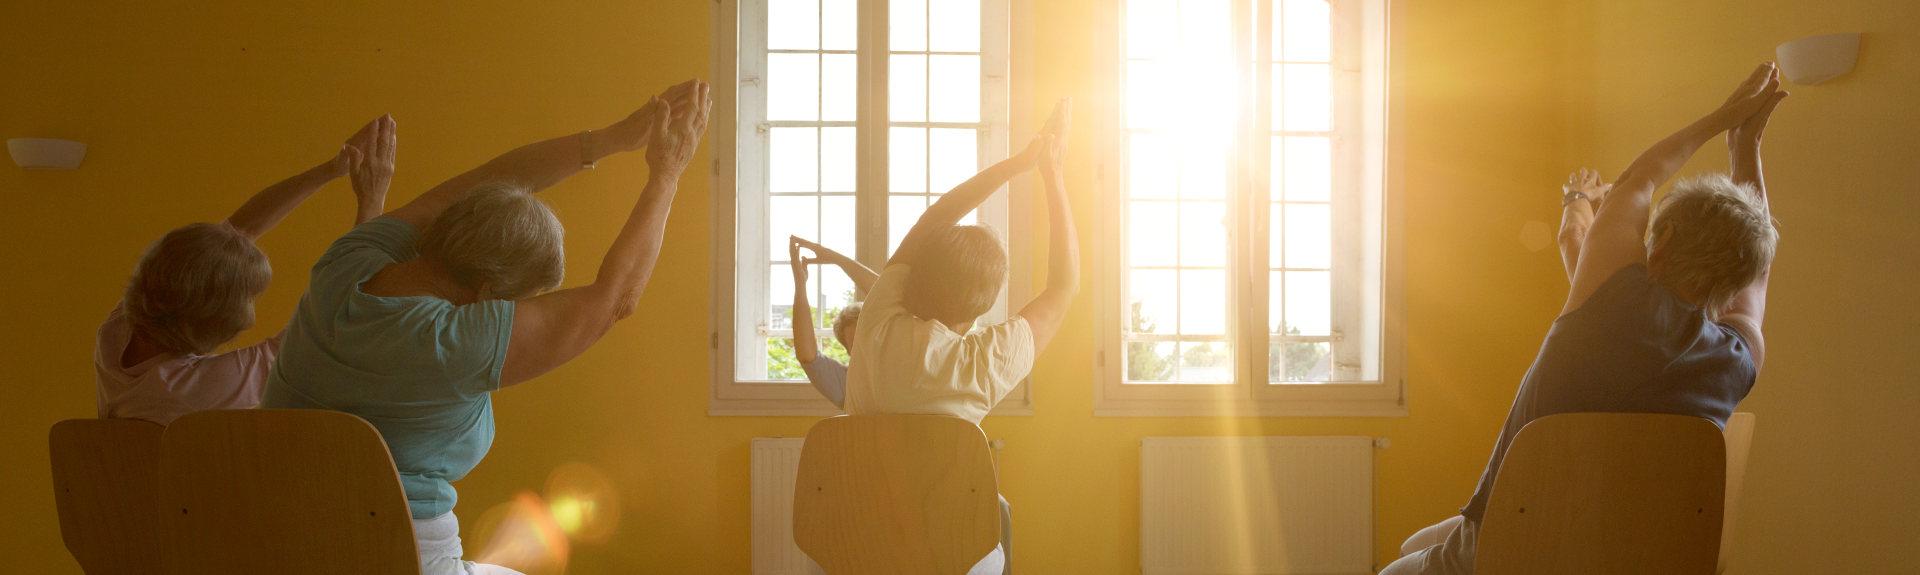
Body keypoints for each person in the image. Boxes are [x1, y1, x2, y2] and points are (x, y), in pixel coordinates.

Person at [262, 79, 710, 575]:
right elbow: (616, 299)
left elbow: (485, 179)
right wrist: (667, 174)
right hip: (395, 556)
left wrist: (610, 139)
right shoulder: (451, 344)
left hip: (273, 540)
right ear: (487, 292)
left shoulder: (347, 258)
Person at [1384, 63, 1787, 574]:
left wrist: (1724, 120)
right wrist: (1746, 149)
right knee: (1421, 540)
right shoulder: (1739, 357)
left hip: (1518, 549)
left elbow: (1639, 180)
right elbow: (1759, 269)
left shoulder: (1611, 296)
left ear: (1661, 240)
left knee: (1399, 562)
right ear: (1740, 278)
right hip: (1635, 557)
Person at [840, 98, 1076, 575]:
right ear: (983, 305)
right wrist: (1052, 175)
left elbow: (936, 216)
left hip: (849, 548)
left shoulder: (876, 323)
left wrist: (1016, 164)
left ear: (915, 273)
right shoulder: (983, 364)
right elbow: (1062, 288)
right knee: (994, 532)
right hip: (949, 558)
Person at [95, 115, 395, 426]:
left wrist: (331, 169)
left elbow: (242, 228)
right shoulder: (187, 390)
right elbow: (326, 329)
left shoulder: (116, 332)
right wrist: (371, 201)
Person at [786, 235, 875, 409]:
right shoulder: (848, 383)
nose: (865, 347)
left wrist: (838, 259)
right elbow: (807, 355)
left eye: (869, 336)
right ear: (849, 351)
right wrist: (800, 284)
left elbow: (889, 295)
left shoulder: (908, 361)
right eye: (855, 343)